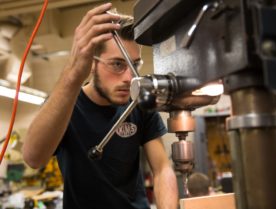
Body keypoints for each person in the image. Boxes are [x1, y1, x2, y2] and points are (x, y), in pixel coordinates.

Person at [22, 3, 178, 209]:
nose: (129, 78)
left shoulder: (138, 102)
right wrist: (73, 74)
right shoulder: (65, 104)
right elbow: (33, 158)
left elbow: (162, 169)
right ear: (92, 64)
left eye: (135, 65)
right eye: (117, 64)